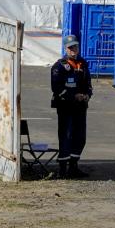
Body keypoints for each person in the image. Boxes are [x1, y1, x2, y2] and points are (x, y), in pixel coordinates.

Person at [49, 36, 93, 178]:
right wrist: (73, 96)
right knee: (66, 135)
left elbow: (88, 85)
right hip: (65, 106)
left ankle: (74, 167)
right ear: (65, 48)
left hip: (80, 107)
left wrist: (86, 95)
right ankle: (63, 169)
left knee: (80, 136)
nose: (74, 50)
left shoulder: (83, 64)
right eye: (70, 47)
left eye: (76, 47)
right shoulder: (59, 66)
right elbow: (56, 87)